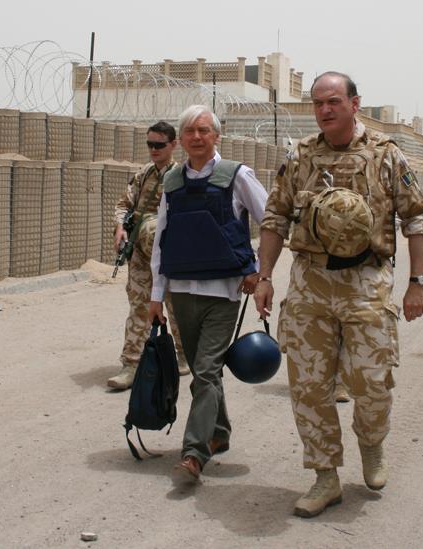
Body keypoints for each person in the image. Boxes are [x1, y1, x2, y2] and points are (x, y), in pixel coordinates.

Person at [254, 72, 423, 518]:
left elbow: (417, 220)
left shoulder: (387, 156)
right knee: (309, 387)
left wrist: (417, 284)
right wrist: (265, 276)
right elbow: (275, 217)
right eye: (317, 103)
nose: (325, 110)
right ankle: (325, 476)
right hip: (310, 283)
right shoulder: (300, 157)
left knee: (373, 382)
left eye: (333, 101)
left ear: (355, 104)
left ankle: (371, 443)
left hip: (366, 282)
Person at [148, 105, 268, 486]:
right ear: (181, 139)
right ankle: (219, 432)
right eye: (189, 131)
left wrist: (260, 272)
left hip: (224, 291)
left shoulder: (237, 175)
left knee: (205, 370)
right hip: (182, 291)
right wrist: (156, 294)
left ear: (217, 136)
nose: (196, 137)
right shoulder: (172, 183)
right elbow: (161, 241)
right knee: (207, 372)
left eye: (203, 130)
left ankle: (194, 452)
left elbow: (271, 221)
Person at [108, 122, 189, 390]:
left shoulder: (181, 176)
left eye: (159, 145)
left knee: (175, 307)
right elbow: (124, 203)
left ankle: (183, 355)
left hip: (170, 254)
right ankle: (131, 364)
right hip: (141, 253)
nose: (153, 150)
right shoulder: (144, 174)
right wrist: (121, 227)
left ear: (173, 144)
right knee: (140, 307)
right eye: (150, 144)